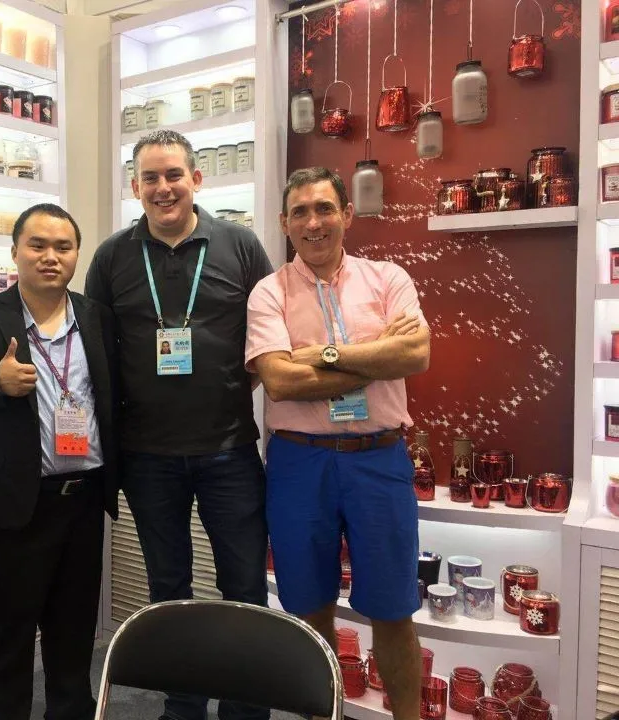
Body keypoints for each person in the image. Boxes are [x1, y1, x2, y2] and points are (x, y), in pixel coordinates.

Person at [85, 129, 273, 720]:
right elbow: (98, 354)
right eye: (150, 178)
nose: (162, 188)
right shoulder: (112, 256)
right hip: (147, 457)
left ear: (196, 178)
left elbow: (268, 337)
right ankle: (183, 706)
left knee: (244, 587)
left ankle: (245, 709)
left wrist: (230, 390)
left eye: (173, 175)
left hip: (229, 450)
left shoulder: (241, 245)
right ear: (135, 186)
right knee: (167, 590)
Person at [246, 167, 431, 720]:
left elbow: (415, 354)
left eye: (324, 208)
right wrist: (375, 358)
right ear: (285, 223)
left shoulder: (388, 278)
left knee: (394, 611)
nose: (314, 223)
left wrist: (321, 355)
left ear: (347, 214)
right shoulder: (269, 292)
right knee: (310, 609)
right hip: (299, 463)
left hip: (380, 460)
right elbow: (280, 381)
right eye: (300, 212)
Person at [0, 203, 119, 720]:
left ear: (77, 255)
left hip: (83, 500)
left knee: (74, 633)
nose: (50, 256)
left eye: (63, 247)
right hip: (15, 506)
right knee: (5, 639)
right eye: (37, 245)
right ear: (15, 251)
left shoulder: (96, 317)